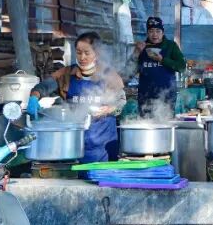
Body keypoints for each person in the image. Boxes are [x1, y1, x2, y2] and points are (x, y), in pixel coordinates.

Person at [27, 31, 126, 163]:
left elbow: (121, 102)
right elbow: (44, 86)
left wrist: (109, 109)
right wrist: (34, 97)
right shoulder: (67, 74)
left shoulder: (109, 75)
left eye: (87, 53)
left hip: (103, 147)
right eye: (78, 53)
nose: (82, 57)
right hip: (72, 144)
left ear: (97, 53)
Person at [133, 16, 186, 113]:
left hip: (167, 96)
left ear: (163, 32)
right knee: (145, 122)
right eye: (151, 31)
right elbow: (131, 71)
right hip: (145, 97)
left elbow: (182, 67)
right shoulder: (142, 47)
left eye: (158, 31)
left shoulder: (171, 46)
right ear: (147, 33)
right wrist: (136, 53)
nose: (154, 34)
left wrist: (162, 60)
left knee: (166, 121)